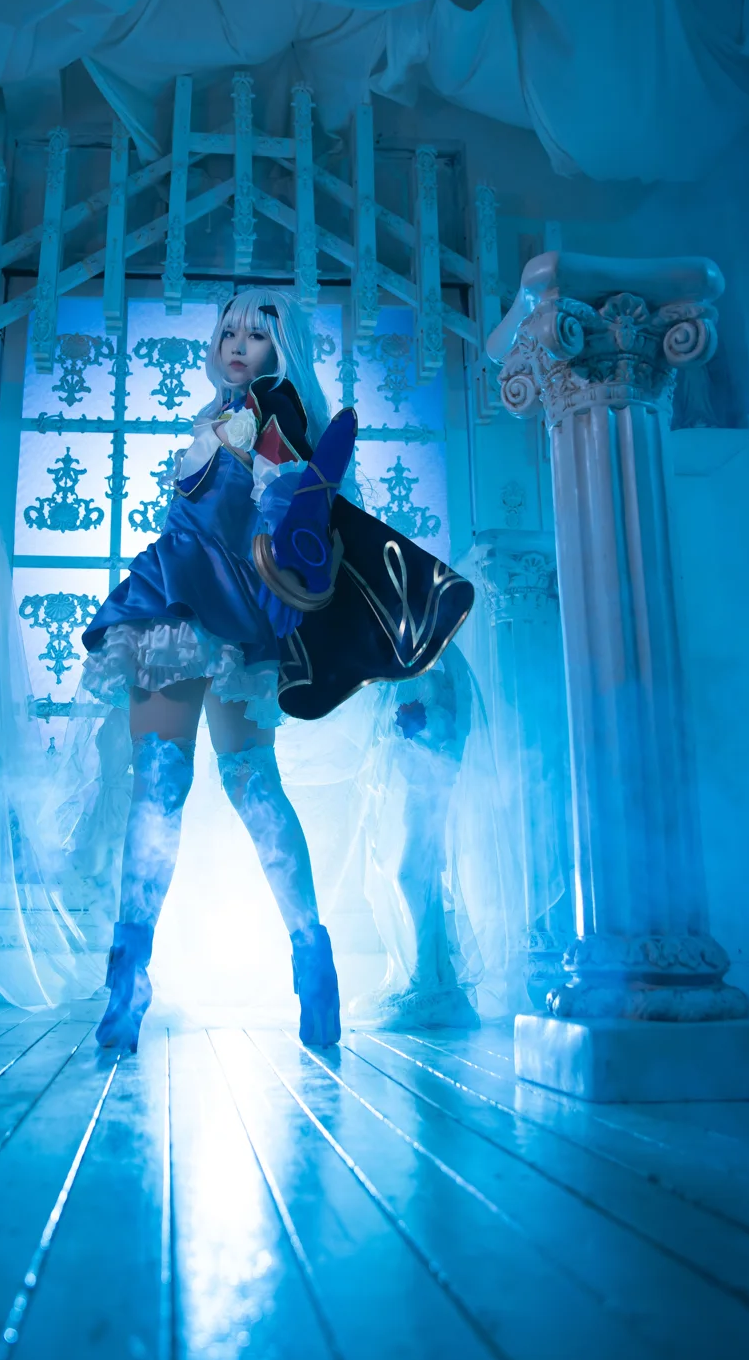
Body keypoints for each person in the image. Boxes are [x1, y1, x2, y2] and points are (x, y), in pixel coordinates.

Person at [79, 286, 472, 1055]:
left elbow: (291, 502)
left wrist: (285, 525)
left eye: (256, 335)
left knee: (219, 785)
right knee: (187, 783)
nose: (237, 345)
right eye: (228, 331)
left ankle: (286, 963)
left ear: (279, 348)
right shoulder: (225, 413)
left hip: (211, 609)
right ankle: (158, 976)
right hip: (179, 601)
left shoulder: (271, 410)